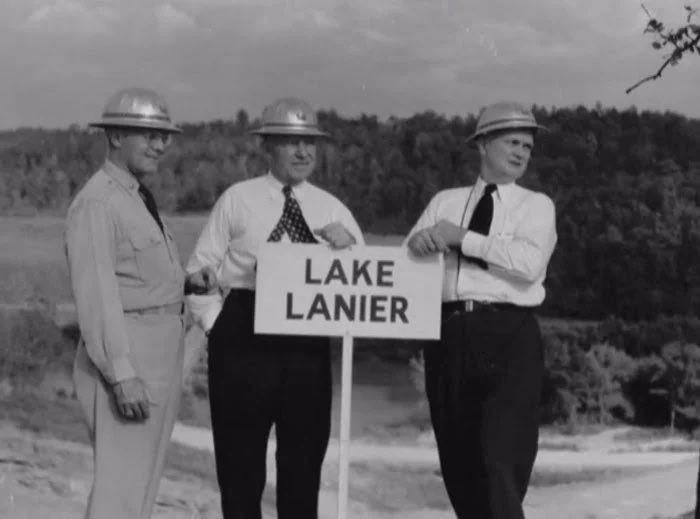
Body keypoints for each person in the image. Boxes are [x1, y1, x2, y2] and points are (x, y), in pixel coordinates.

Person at [186, 97, 364, 519]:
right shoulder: (238, 199)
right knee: (240, 468)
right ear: (268, 147)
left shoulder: (332, 208)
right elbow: (199, 271)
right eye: (291, 142)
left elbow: (362, 285)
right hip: (243, 335)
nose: (303, 153)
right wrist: (219, 326)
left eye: (310, 144)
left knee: (302, 468)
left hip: (307, 344)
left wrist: (348, 249)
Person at [406, 102, 557, 519]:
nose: (522, 153)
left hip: (509, 334)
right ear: (483, 144)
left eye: (527, 146)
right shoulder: (444, 202)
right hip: (448, 335)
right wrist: (418, 246)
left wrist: (462, 239)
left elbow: (528, 265)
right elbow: (408, 267)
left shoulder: (536, 206)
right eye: (512, 142)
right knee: (460, 466)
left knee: (500, 461)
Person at [65, 87, 187, 519]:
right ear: (115, 136)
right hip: (127, 360)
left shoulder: (133, 197)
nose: (160, 145)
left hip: (156, 354)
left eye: (164, 136)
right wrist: (121, 376)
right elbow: (96, 295)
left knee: (138, 493)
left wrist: (188, 283)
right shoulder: (98, 202)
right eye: (148, 134)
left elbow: (138, 275)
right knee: (119, 496)